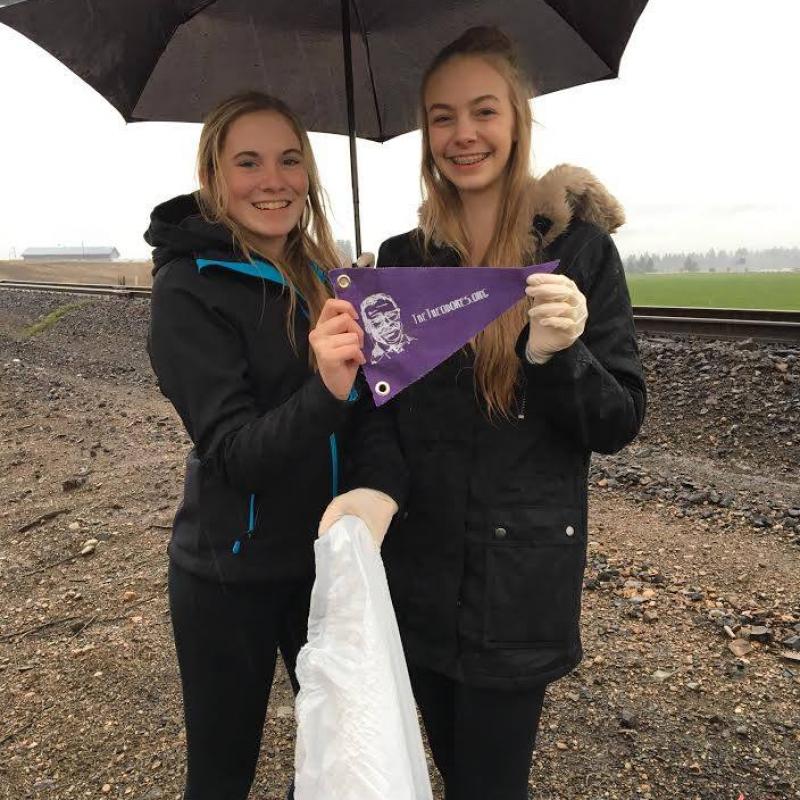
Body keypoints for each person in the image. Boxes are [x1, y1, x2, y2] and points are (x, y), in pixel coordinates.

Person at [320, 27, 647, 800]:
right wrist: (372, 488)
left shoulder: (579, 253)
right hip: (418, 571)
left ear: (516, 120)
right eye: (442, 117)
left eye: (483, 111)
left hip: (518, 579)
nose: (463, 134)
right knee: (449, 767)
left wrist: (562, 357)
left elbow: (618, 422)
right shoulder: (401, 258)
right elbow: (383, 414)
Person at [145, 91, 397, 800]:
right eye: (248, 162)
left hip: (329, 559)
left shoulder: (325, 276)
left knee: (334, 756)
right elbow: (233, 455)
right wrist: (327, 387)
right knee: (222, 773)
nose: (273, 180)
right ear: (213, 177)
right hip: (230, 573)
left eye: (289, 160)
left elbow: (370, 414)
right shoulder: (188, 289)